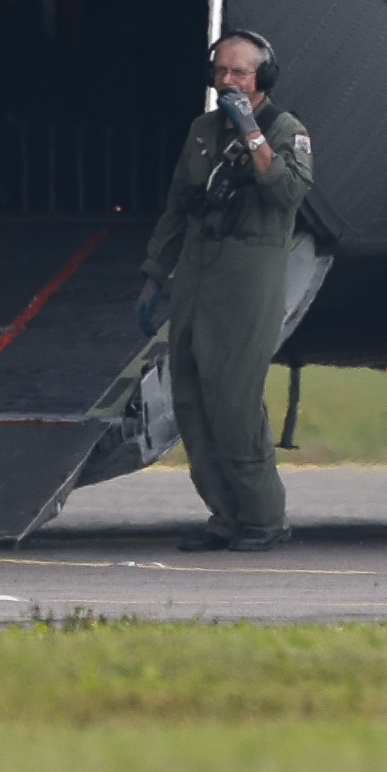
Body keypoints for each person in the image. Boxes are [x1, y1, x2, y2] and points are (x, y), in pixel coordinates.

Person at [145, 28, 317, 553]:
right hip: (199, 265)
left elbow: (289, 191)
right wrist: (155, 272)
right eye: (220, 70)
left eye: (239, 72)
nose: (227, 80)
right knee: (191, 395)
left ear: (262, 77)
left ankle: (264, 517)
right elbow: (178, 203)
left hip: (249, 268)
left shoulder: (285, 129)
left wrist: (252, 134)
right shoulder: (202, 130)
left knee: (234, 399)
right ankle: (224, 515)